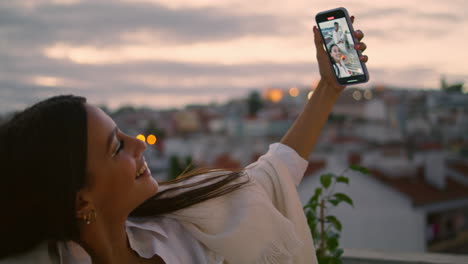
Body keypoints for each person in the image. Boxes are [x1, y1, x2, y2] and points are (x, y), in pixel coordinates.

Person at [0, 18, 368, 264]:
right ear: (82, 200)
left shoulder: (176, 225)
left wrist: (328, 88)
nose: (140, 145)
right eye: (117, 147)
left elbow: (270, 176)